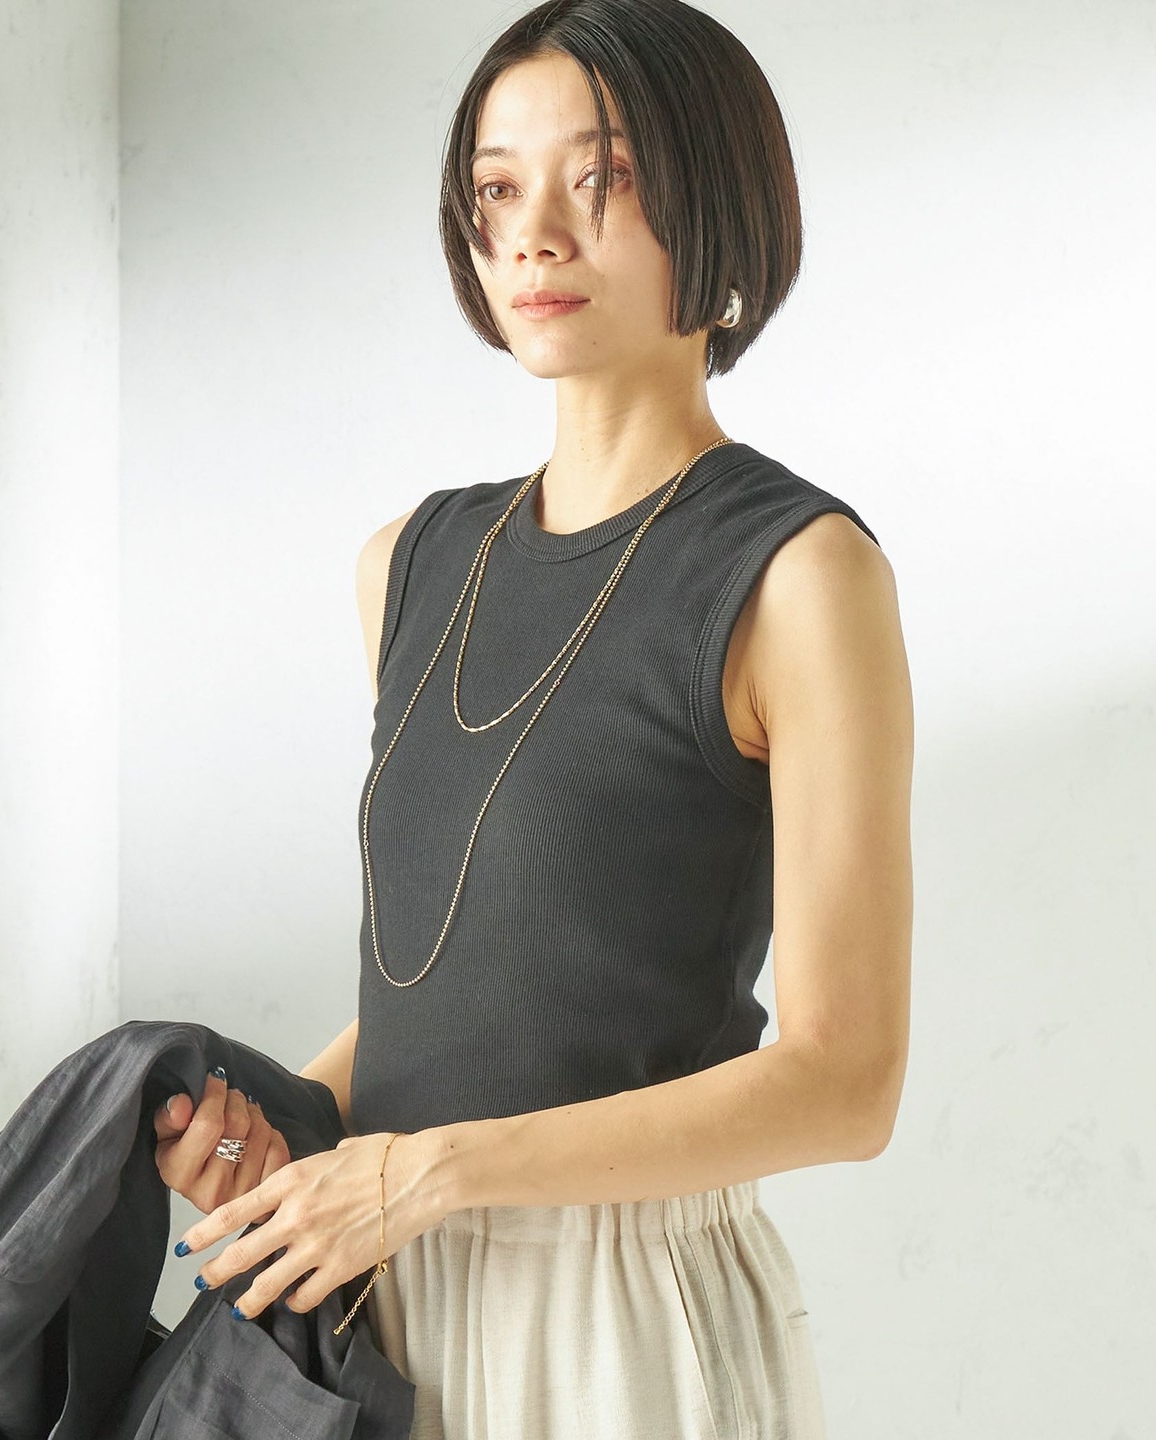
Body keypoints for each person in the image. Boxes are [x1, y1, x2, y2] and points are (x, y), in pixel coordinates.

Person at [154, 2, 914, 1436]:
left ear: (719, 200)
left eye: (601, 177)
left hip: (618, 1312)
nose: (536, 236)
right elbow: (461, 992)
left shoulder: (799, 576)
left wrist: (436, 1169)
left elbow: (845, 1082)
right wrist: (285, 1133)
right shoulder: (409, 562)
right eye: (498, 189)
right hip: (377, 1291)